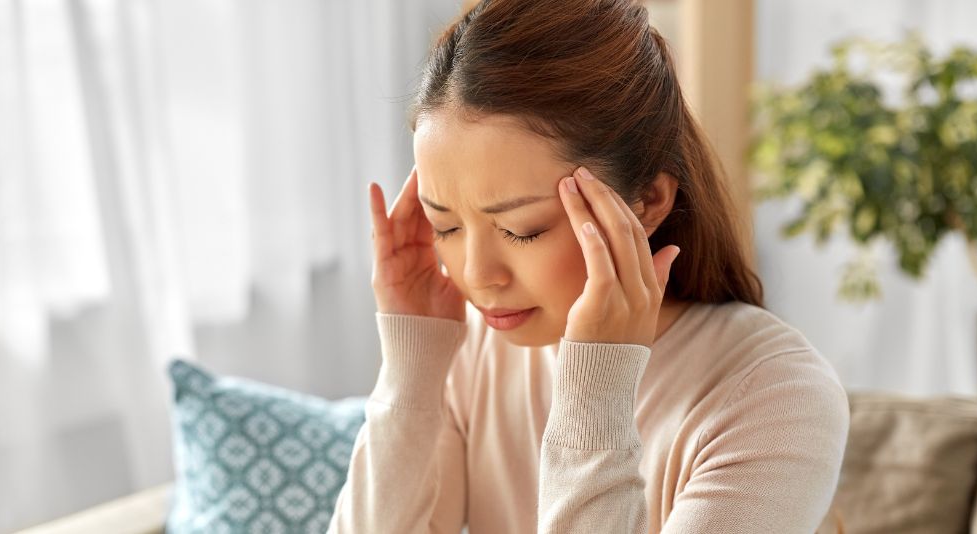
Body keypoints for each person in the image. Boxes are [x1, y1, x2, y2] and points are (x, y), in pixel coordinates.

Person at [328, 0, 849, 532]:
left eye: (522, 229)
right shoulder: (473, 348)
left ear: (646, 201)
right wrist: (411, 367)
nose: (478, 276)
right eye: (446, 226)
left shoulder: (777, 394)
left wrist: (597, 385)